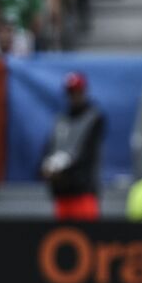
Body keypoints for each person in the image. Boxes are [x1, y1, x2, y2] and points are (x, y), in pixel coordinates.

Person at [40, 71, 105, 220]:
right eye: (71, 93)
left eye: (77, 92)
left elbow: (86, 153)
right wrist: (47, 166)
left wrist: (63, 169)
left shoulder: (94, 117)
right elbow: (50, 147)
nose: (74, 97)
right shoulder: (60, 120)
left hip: (83, 191)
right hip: (62, 192)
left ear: (84, 92)